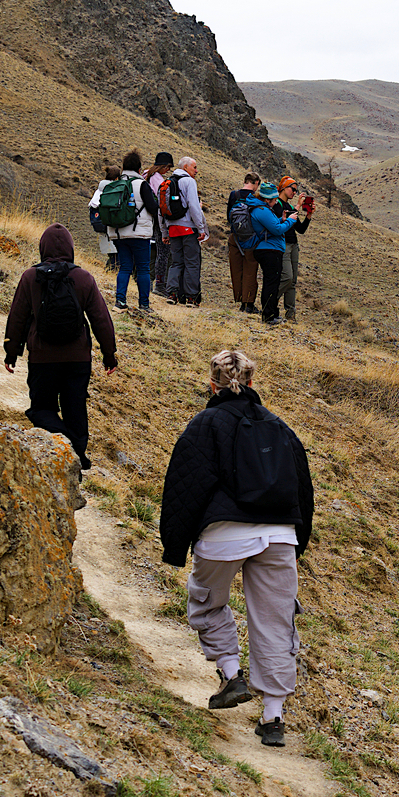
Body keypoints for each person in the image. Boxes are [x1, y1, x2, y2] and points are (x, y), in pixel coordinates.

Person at [159, 349, 314, 748]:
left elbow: (185, 486)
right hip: (280, 536)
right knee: (276, 621)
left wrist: (175, 546)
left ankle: (231, 675)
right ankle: (273, 716)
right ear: (251, 382)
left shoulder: (205, 424)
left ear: (212, 384)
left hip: (224, 534)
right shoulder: (281, 428)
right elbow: (303, 488)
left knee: (207, 602)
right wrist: (298, 541)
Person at [3, 224, 118, 469]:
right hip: (78, 360)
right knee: (75, 407)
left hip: (42, 358)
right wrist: (109, 355)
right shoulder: (84, 278)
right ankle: (76, 454)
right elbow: (100, 318)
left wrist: (11, 352)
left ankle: (61, 452)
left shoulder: (30, 277)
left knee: (41, 409)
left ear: (42, 247)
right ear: (71, 248)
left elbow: (17, 317)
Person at [94, 149, 155, 311]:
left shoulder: (115, 184)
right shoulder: (142, 184)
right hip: (139, 234)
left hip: (118, 233)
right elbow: (153, 208)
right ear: (139, 169)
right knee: (143, 268)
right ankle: (144, 304)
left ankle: (120, 302)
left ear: (123, 168)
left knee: (125, 267)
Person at [246, 181, 297, 325]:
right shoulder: (262, 210)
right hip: (269, 250)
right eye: (274, 200)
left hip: (270, 249)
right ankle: (268, 316)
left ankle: (272, 313)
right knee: (270, 283)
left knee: (273, 283)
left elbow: (271, 226)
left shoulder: (262, 209)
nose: (276, 203)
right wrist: (290, 222)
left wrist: (282, 220)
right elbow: (276, 230)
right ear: (267, 199)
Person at [162, 156, 208, 306]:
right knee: (192, 263)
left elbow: (160, 210)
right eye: (194, 167)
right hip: (189, 229)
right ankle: (191, 297)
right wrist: (201, 228)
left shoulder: (166, 183)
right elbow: (194, 207)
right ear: (185, 167)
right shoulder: (189, 182)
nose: (196, 170)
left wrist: (165, 232)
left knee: (176, 262)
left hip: (173, 229)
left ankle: (172, 294)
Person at [273, 176, 311, 323]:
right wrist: (297, 207)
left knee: (292, 281)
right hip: (283, 244)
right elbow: (282, 220)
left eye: (296, 190)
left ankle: (290, 315)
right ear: (283, 187)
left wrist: (308, 216)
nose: (294, 192)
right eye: (292, 189)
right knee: (287, 278)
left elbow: (300, 229)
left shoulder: (288, 206)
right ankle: (270, 301)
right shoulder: (276, 204)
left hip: (293, 244)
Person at [226, 173, 262, 314]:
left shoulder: (234, 195)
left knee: (236, 270)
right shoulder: (255, 198)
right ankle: (249, 303)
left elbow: (229, 216)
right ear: (256, 183)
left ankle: (240, 300)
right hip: (251, 240)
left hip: (234, 238)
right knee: (250, 271)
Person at [144, 151, 174, 292]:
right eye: (168, 167)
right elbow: (163, 201)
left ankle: (149, 284)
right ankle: (159, 285)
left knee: (152, 254)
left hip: (147, 219)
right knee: (163, 253)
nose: (168, 170)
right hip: (158, 220)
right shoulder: (157, 180)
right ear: (162, 166)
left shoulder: (146, 175)